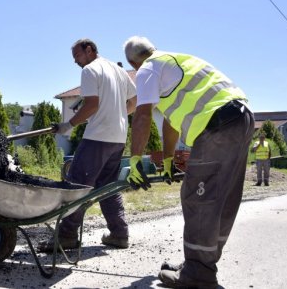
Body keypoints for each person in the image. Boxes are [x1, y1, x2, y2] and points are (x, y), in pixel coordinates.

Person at [123, 36, 254, 289]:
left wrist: (136, 157)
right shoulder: (177, 62)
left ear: (133, 63)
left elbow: (142, 113)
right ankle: (200, 264)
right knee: (223, 198)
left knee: (199, 199)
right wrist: (169, 159)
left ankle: (198, 273)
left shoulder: (148, 68)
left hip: (217, 126)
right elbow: (171, 122)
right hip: (241, 119)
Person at [37, 38, 137, 252]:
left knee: (77, 186)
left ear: (89, 49)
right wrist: (117, 116)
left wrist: (68, 125)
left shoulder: (91, 70)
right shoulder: (119, 71)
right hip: (117, 138)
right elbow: (134, 102)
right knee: (107, 186)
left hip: (98, 138)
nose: (76, 62)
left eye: (77, 56)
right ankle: (119, 234)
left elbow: (92, 105)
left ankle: (67, 236)